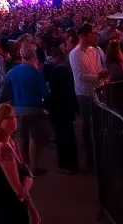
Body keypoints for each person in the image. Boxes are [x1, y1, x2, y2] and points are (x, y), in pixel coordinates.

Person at [0, 104, 36, 224]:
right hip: (11, 211)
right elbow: (20, 192)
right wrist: (29, 181)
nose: (13, 121)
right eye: (8, 118)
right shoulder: (4, 150)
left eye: (14, 117)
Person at [7, 46, 50, 175]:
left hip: (18, 108)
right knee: (34, 138)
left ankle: (22, 165)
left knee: (20, 137)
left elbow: (7, 90)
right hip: (35, 108)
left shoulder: (12, 72)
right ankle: (33, 167)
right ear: (32, 56)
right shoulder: (36, 72)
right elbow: (45, 93)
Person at [68, 23, 106, 167]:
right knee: (86, 122)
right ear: (82, 36)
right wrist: (97, 76)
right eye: (90, 34)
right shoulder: (75, 53)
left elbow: (99, 67)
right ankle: (89, 154)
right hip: (84, 92)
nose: (93, 36)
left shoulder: (94, 51)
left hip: (97, 90)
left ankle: (99, 150)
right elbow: (80, 75)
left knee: (97, 122)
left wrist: (102, 75)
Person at [47, 41, 79, 173]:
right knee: (69, 136)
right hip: (67, 109)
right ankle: (72, 163)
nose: (51, 59)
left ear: (58, 58)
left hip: (59, 110)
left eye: (53, 57)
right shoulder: (67, 71)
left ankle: (66, 164)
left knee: (62, 138)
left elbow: (53, 92)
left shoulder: (57, 72)